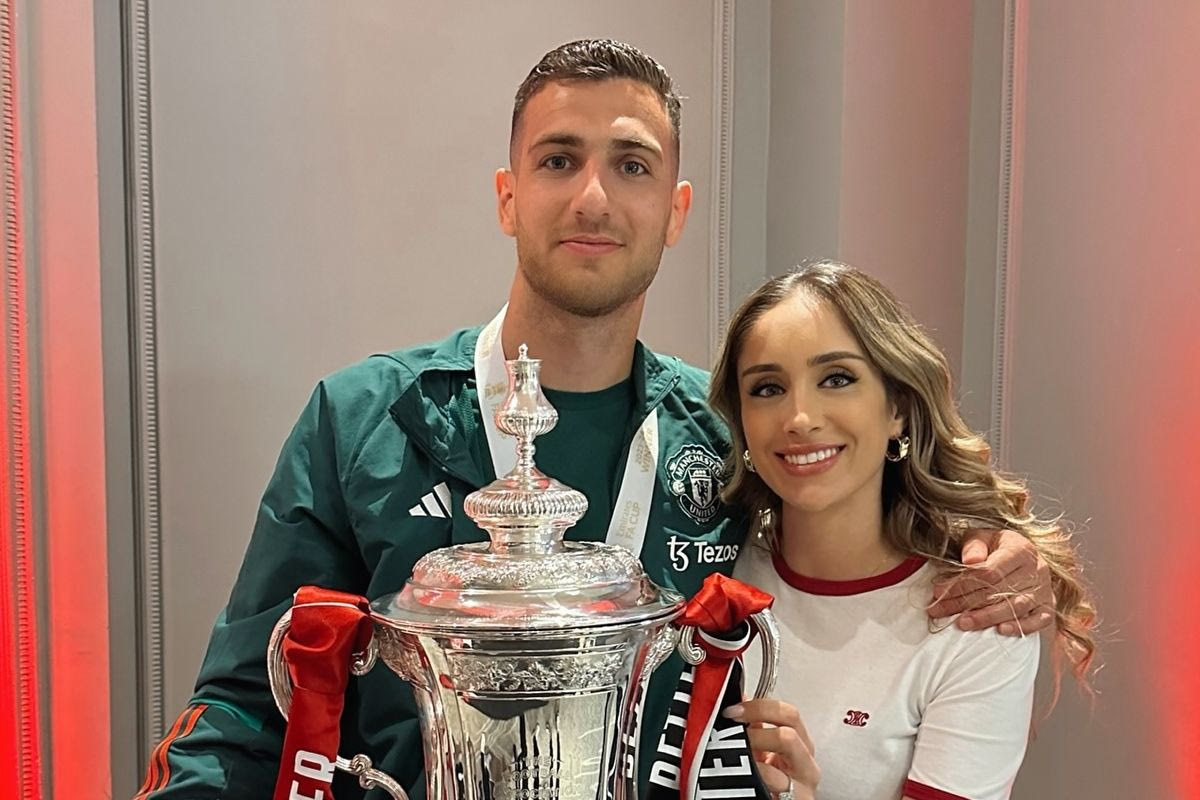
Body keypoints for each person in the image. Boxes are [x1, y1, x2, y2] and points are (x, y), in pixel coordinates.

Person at [134, 41, 1053, 799]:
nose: (594, 198)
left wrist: (1002, 554)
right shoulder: (365, 417)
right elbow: (249, 705)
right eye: (559, 160)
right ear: (508, 196)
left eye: (632, 166)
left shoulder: (723, 433)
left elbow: (855, 525)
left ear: (676, 212)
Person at [706, 261, 1096, 800]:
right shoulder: (710, 563)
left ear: (898, 408)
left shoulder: (978, 618)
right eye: (767, 388)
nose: (799, 418)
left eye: (836, 379)